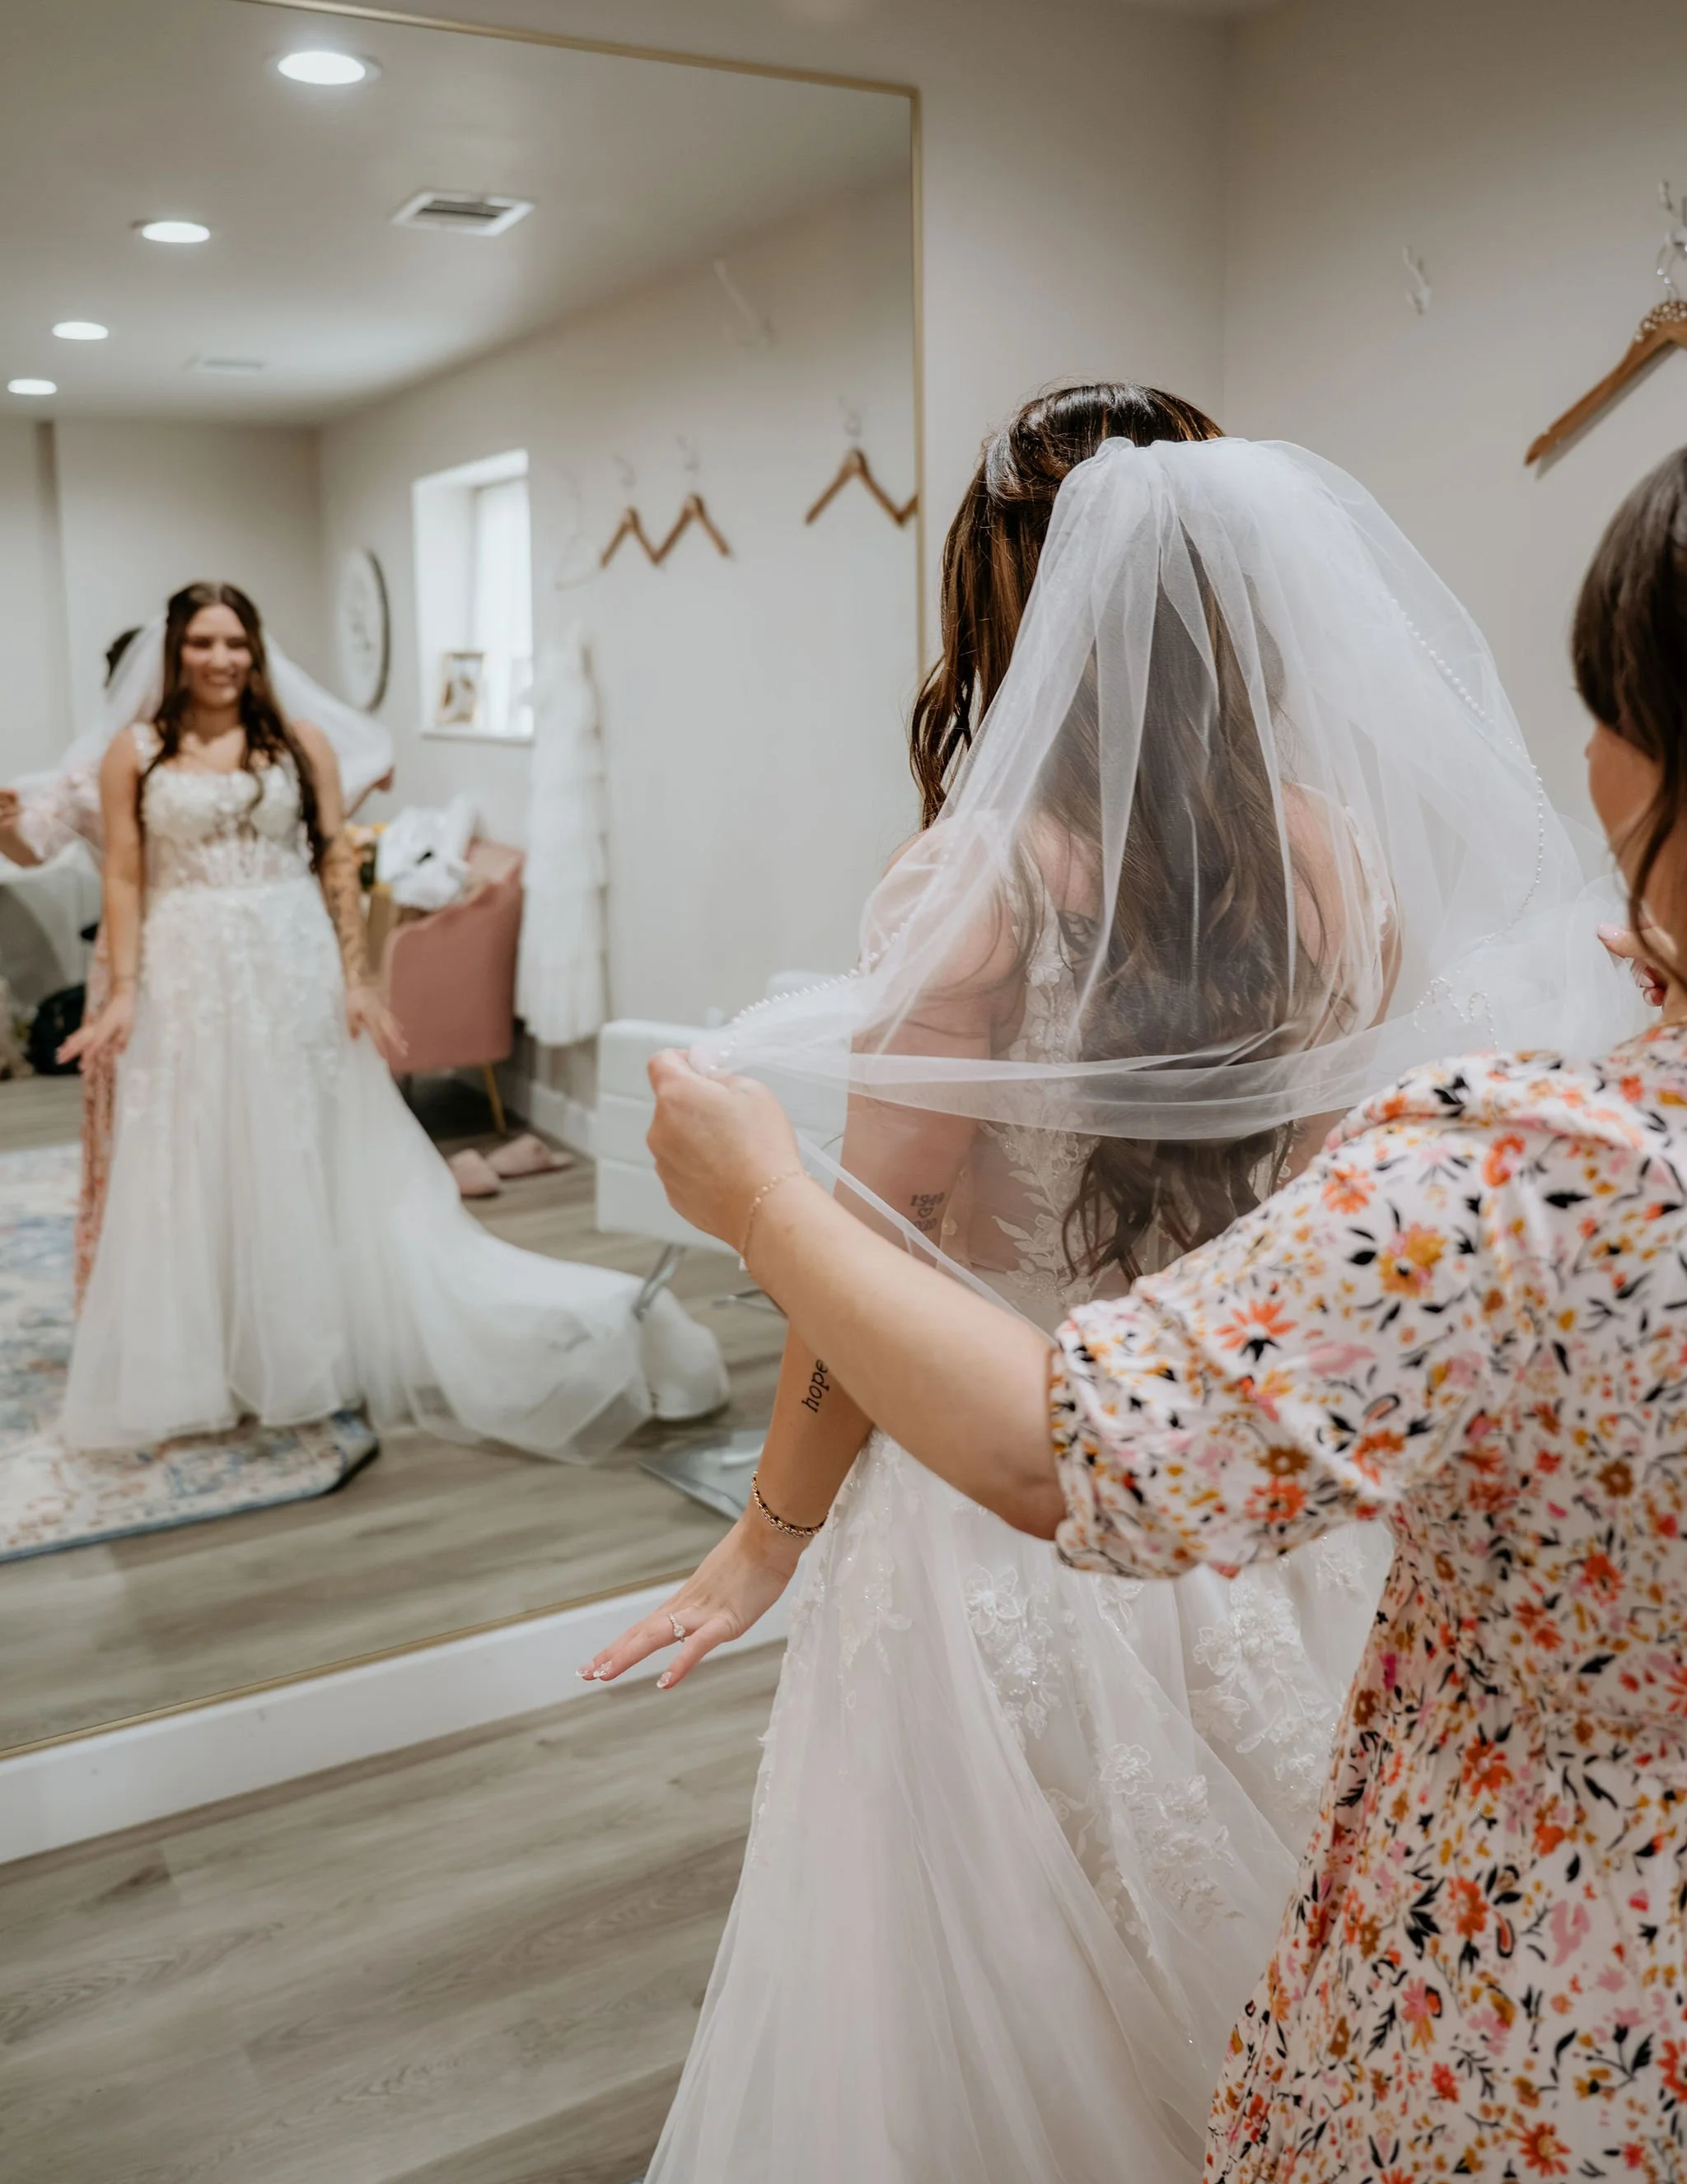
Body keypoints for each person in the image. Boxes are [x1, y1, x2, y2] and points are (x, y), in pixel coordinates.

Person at [587, 394, 1629, 2182]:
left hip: (1011, 1500)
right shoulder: (1334, 856)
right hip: (1252, 1499)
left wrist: (767, 1531)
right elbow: (1322, 1214)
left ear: (1004, 614)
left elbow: (871, 1257)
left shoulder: (973, 882)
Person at [59, 581, 726, 1456]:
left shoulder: (300, 744)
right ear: (174, 650)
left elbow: (337, 857)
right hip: (187, 966)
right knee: (197, 1148)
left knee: (303, 1145)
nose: (220, 660)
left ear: (256, 650)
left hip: (288, 952)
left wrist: (358, 977)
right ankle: (208, 1354)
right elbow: (124, 875)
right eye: (201, 643)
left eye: (235, 642)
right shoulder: (134, 752)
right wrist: (121, 992)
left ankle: (305, 1342)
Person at [2, 624, 144, 1300]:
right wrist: (7, 828)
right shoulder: (92, 767)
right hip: (129, 952)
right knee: (136, 1108)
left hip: (222, 942)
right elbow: (35, 845)